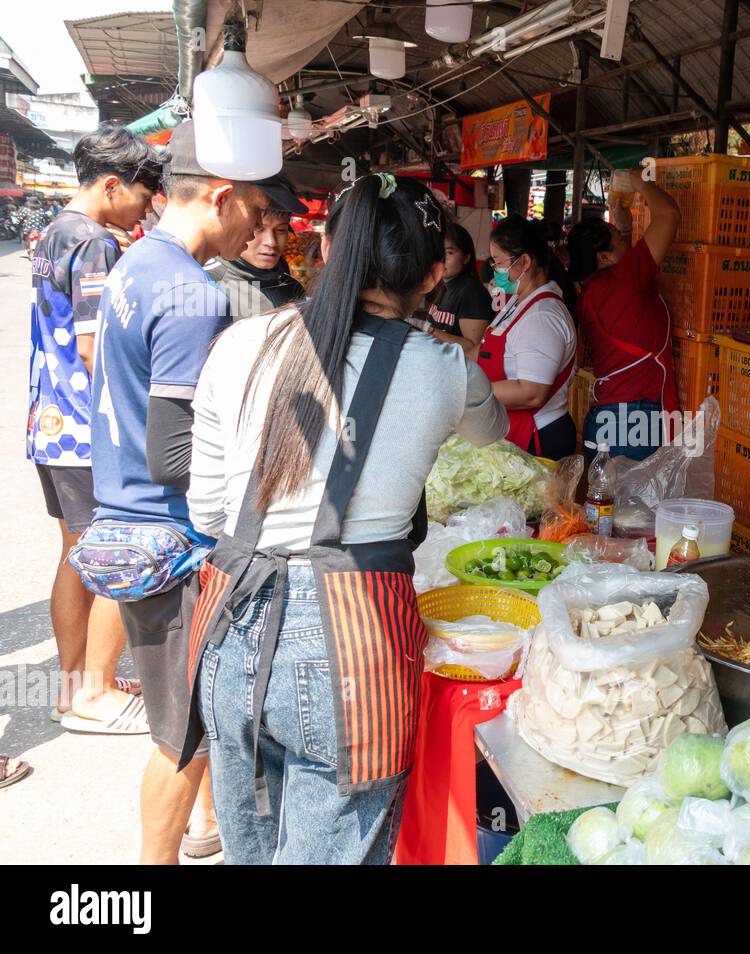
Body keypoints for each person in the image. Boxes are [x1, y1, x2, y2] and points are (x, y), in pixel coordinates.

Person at [179, 172, 507, 864]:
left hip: (230, 629)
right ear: (433, 277)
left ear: (328, 248)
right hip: (350, 650)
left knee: (252, 852)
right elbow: (491, 431)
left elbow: (207, 509)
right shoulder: (445, 367)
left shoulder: (239, 342)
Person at [85, 119, 272, 864]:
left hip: (126, 517)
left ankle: (203, 829)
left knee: (183, 716)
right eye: (256, 213)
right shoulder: (189, 291)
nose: (261, 228)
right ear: (222, 197)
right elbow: (174, 453)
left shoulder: (138, 265)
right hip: (168, 537)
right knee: (185, 732)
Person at [27, 125, 163, 732]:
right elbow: (92, 347)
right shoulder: (94, 243)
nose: (144, 209)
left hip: (50, 423)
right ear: (112, 185)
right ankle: (94, 693)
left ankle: (73, 684)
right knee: (108, 551)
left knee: (74, 552)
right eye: (140, 194)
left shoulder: (52, 230)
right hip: (85, 428)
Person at [566, 172, 682, 460]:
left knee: (603, 504)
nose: (629, 243)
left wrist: (622, 223)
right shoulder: (624, 280)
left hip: (606, 416)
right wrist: (640, 184)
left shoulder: (590, 292)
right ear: (604, 258)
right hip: (634, 422)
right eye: (620, 239)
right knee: (636, 505)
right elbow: (668, 214)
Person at [468, 214, 578, 458]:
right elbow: (484, 350)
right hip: (510, 429)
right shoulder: (518, 304)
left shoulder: (542, 316)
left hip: (537, 435)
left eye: (498, 261)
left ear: (524, 261)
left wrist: (465, 394)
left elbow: (531, 392)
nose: (494, 269)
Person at [205, 183, 307, 318]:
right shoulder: (209, 284)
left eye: (281, 230)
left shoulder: (292, 289)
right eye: (258, 228)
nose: (271, 242)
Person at [426, 221, 493, 349]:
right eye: (439, 252)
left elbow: (473, 346)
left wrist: (429, 330)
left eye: (449, 252)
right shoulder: (445, 286)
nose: (442, 259)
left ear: (466, 257)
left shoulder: (472, 292)